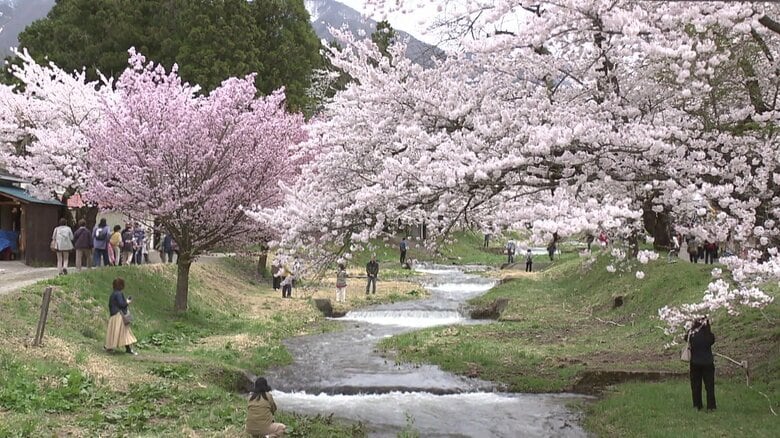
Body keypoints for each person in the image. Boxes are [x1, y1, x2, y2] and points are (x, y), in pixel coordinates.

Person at [685, 317, 716, 411]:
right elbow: (712, 341)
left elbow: (686, 339)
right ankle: (711, 406)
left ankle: (697, 405)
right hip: (708, 362)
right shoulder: (708, 335)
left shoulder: (692, 334)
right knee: (709, 385)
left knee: (696, 385)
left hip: (695, 362)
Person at [104, 277, 138, 355]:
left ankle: (109, 346)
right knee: (125, 332)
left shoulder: (113, 294)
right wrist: (128, 302)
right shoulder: (119, 293)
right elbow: (121, 304)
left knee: (114, 332)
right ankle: (128, 349)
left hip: (113, 315)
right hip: (118, 316)